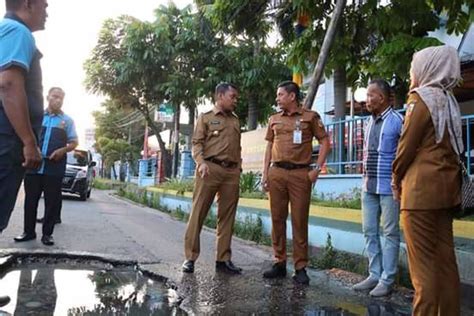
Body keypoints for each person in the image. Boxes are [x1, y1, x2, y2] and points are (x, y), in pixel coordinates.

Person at [392, 45, 462, 315]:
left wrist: (395, 177)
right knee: (446, 263)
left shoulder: (420, 99)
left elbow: (406, 147)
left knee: (422, 270)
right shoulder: (449, 99)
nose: (412, 72)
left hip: (420, 194)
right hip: (446, 192)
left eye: (414, 66)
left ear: (427, 67)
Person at [0, 0, 48, 306]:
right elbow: (7, 84)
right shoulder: (17, 31)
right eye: (45, 4)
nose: (47, 11)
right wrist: (29, 142)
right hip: (6, 139)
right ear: (28, 3)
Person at [262, 81, 330, 284]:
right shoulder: (274, 119)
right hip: (277, 173)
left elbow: (325, 141)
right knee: (277, 218)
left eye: (280, 94)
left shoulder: (310, 117)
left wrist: (316, 169)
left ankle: (300, 267)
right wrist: (265, 174)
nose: (277, 98)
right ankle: (279, 262)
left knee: (300, 220)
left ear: (292, 96)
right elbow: (269, 147)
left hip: (301, 174)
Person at [182, 83, 242, 274]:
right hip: (209, 169)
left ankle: (223, 260)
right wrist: (201, 163)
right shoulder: (206, 118)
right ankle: (190, 258)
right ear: (220, 96)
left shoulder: (235, 120)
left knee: (227, 217)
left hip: (231, 172)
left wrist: (238, 168)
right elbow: (196, 143)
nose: (235, 100)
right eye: (232, 97)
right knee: (198, 212)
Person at [352, 79, 403, 297]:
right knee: (369, 231)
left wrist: (398, 182)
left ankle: (387, 279)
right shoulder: (369, 122)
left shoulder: (398, 120)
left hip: (389, 187)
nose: (367, 99)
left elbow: (403, 154)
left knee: (390, 232)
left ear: (381, 98)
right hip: (369, 186)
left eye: (371, 95)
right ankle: (374, 274)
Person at [14, 87, 77, 246]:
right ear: (48, 97)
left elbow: (74, 142)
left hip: (54, 169)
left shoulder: (67, 121)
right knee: (30, 201)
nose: (58, 100)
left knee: (51, 202)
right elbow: (25, 136)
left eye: (61, 98)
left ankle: (47, 234)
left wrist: (62, 150)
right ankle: (28, 232)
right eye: (55, 96)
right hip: (33, 166)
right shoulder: (37, 117)